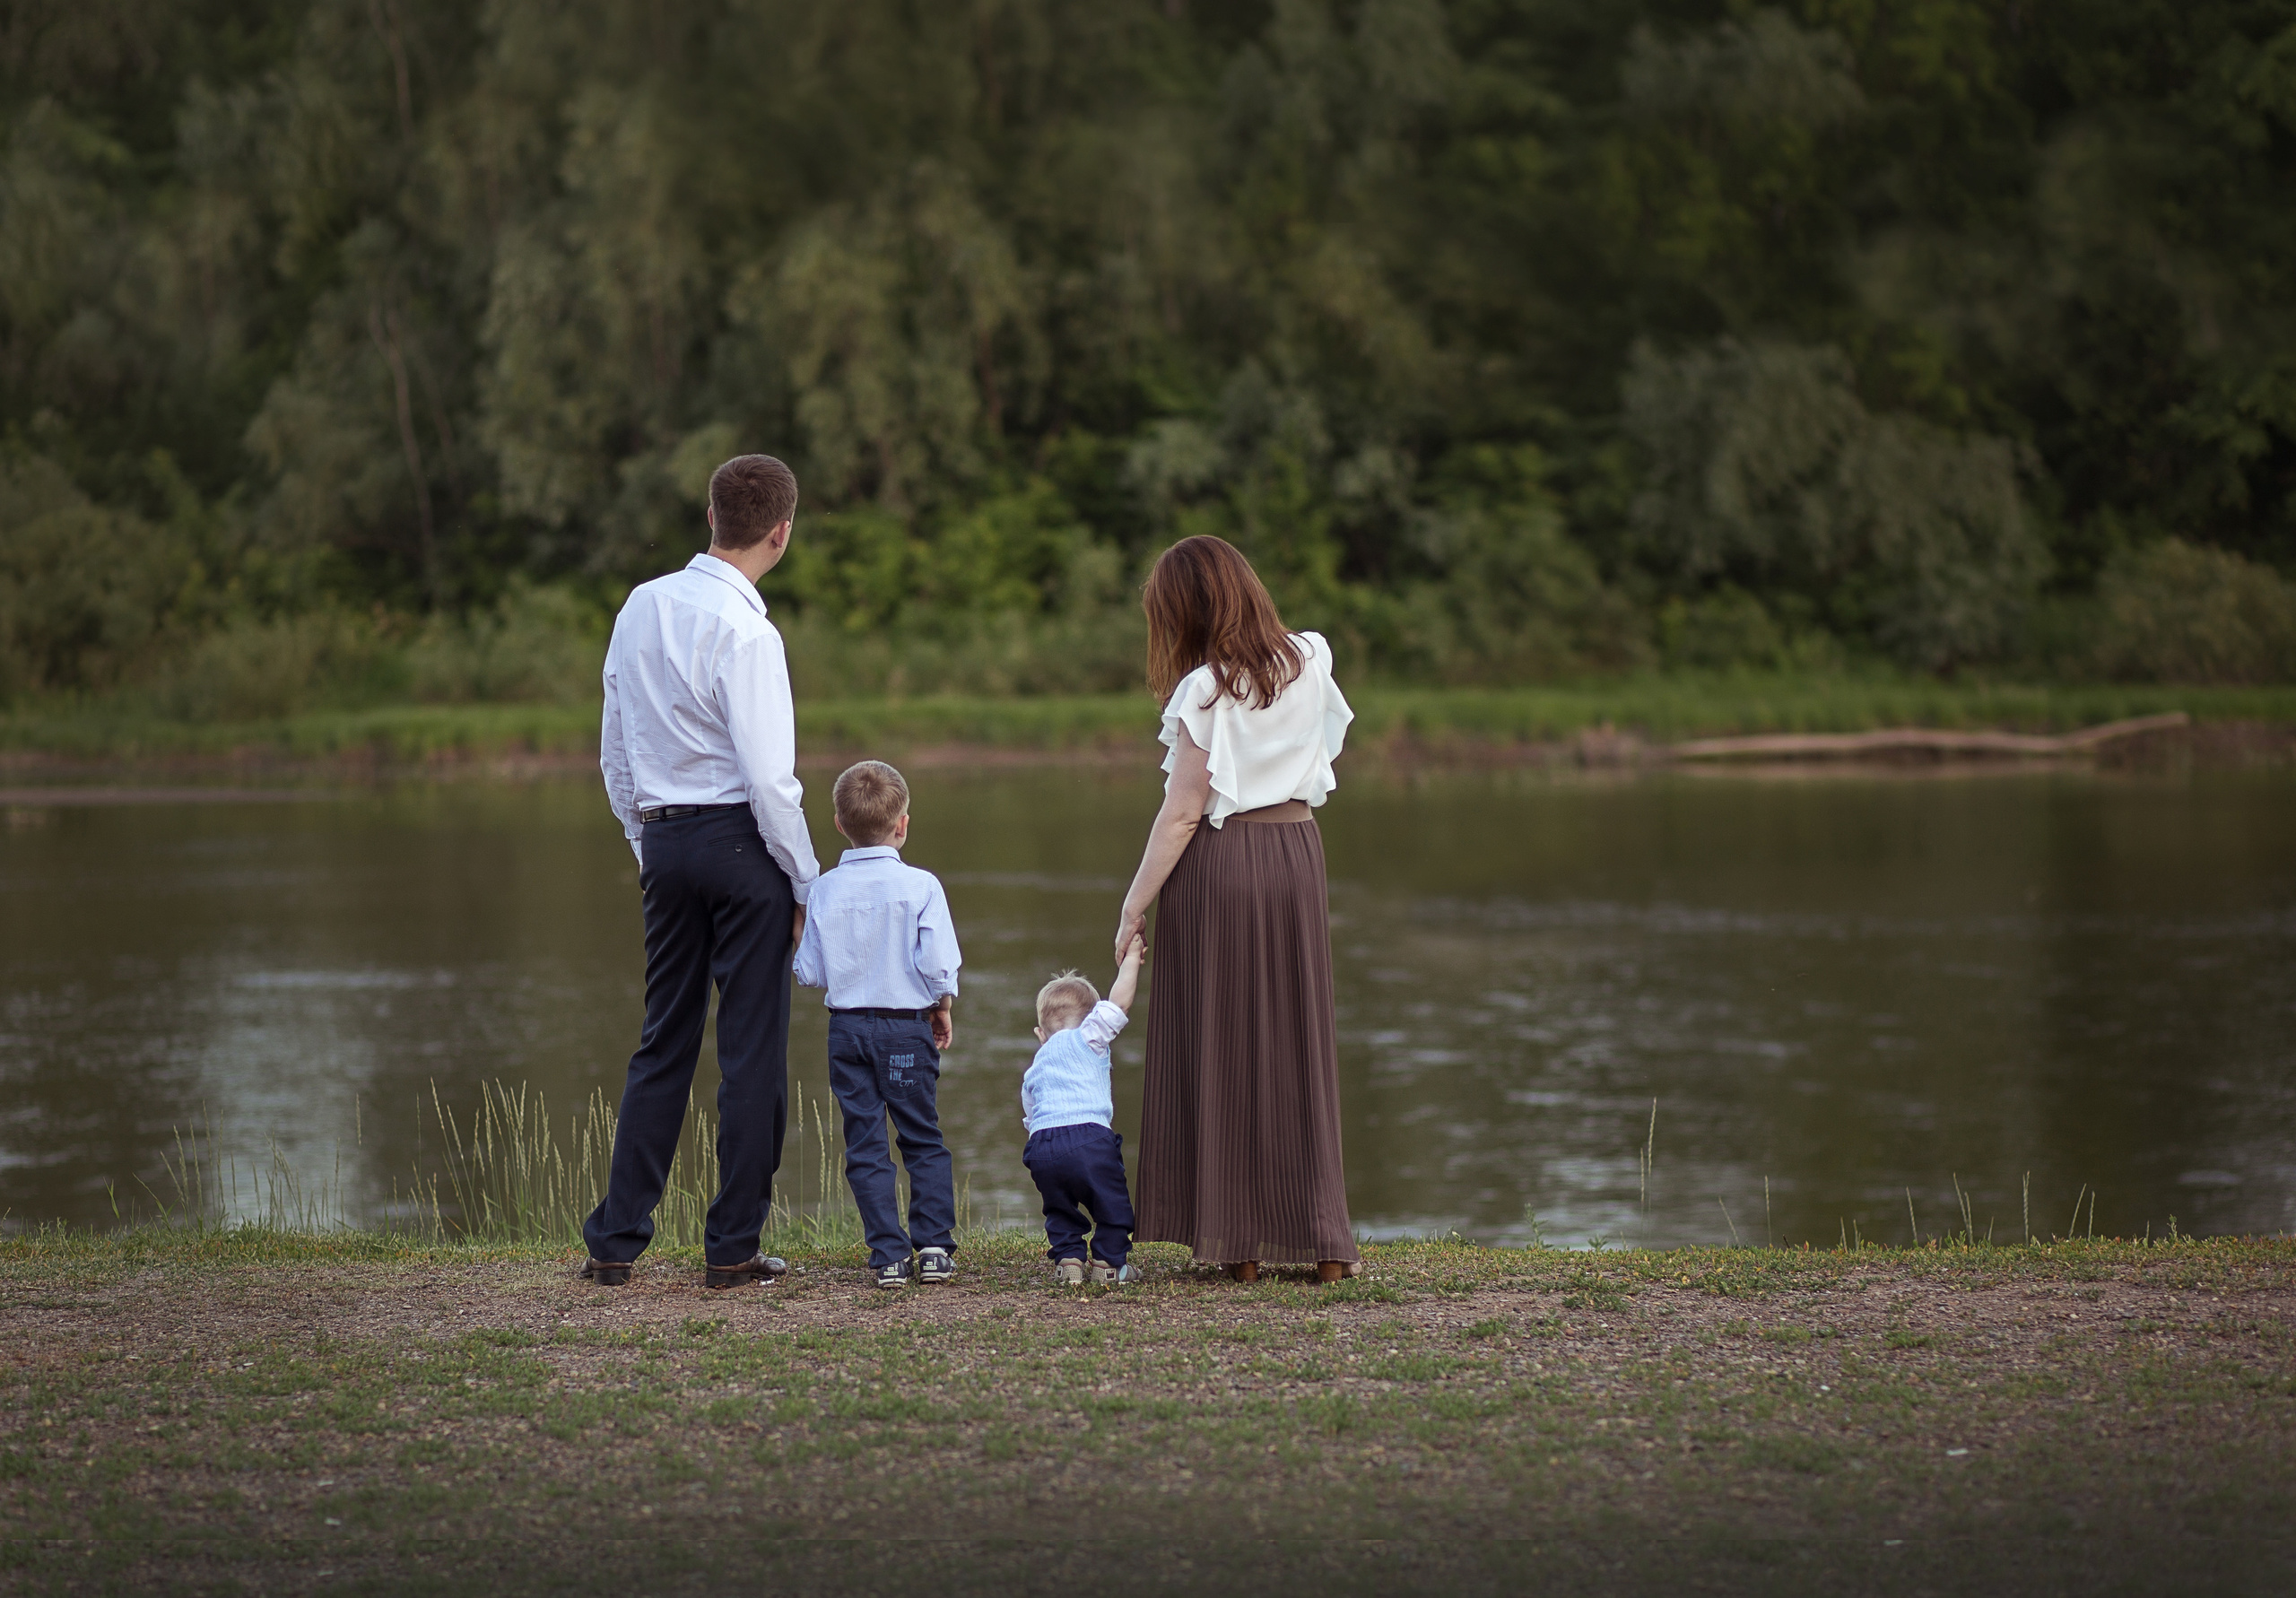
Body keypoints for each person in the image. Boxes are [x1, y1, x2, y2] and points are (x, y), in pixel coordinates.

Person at [582, 454, 820, 1290]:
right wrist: (805, 883)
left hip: (666, 840)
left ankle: (616, 1239)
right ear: (780, 532)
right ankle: (732, 1248)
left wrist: (646, 843)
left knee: (664, 1037)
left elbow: (614, 744)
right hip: (742, 844)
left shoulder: (641, 605)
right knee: (750, 1050)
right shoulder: (752, 632)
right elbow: (769, 782)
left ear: (710, 515)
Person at [1116, 534, 1361, 1284]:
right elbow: (1324, 751)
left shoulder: (1205, 688)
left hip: (1221, 863)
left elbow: (1183, 812)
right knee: (1296, 1038)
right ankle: (1324, 1240)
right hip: (1295, 856)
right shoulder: (1310, 657)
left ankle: (1238, 1241)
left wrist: (1132, 906)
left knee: (1221, 1037)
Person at [792, 760, 962, 1290]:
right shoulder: (922, 886)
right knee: (921, 1137)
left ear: (839, 824)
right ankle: (933, 1248)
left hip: (846, 1031)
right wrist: (942, 1005)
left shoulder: (822, 889)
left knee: (865, 1142)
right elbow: (937, 966)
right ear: (903, 823)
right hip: (904, 1029)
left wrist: (798, 924)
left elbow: (811, 972)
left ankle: (888, 1256)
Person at [1020, 936, 1147, 1287]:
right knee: (1111, 1203)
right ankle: (1108, 1264)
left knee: (1059, 1207)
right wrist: (1132, 958)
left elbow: (1030, 1113)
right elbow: (1119, 1003)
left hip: (1042, 1146)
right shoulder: (1091, 1036)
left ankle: (1069, 1261)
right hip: (1089, 1138)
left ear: (1040, 1034)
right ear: (1092, 1017)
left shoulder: (1036, 1065)